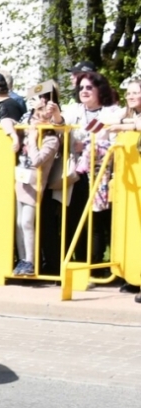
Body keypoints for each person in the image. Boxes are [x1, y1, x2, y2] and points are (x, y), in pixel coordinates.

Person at [64, 69, 120, 269]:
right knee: (78, 218)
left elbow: (116, 143)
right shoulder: (74, 111)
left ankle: (99, 266)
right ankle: (81, 264)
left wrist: (90, 147)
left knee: (99, 221)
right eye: (81, 88)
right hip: (76, 174)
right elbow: (59, 124)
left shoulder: (112, 113)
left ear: (99, 89)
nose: (84, 91)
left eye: (89, 87)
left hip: (102, 175)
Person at [7, 96, 65, 277]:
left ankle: (30, 260)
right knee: (18, 223)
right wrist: (15, 137)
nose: (37, 118)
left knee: (27, 221)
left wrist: (32, 140)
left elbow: (37, 160)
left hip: (35, 183)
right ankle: (22, 259)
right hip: (20, 179)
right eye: (36, 113)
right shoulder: (26, 130)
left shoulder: (51, 139)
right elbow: (6, 121)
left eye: (43, 115)